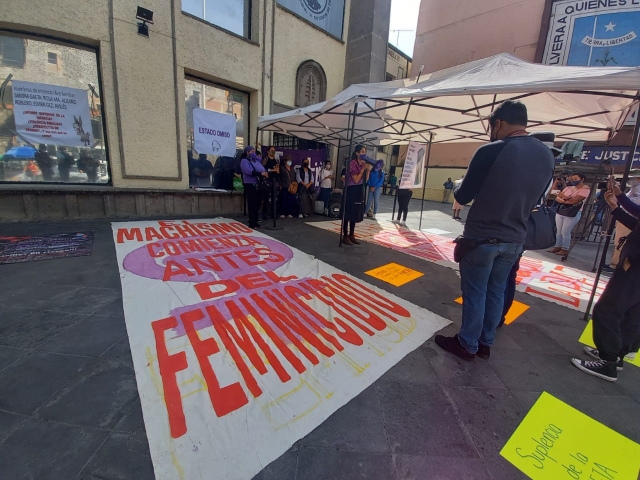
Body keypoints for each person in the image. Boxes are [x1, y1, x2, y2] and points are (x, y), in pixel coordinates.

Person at [434, 100, 554, 361]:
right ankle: (486, 342)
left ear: (498, 123)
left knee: (475, 291)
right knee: (496, 290)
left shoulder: (491, 150)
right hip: (516, 238)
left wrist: (459, 186)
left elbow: (464, 195)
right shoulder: (546, 155)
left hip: (482, 237)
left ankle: (467, 344)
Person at [571, 181, 640, 381]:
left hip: (634, 268)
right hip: (634, 266)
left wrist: (631, 261)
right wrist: (617, 203)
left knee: (607, 310)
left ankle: (608, 359)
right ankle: (617, 355)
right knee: (630, 313)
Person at [498, 131, 561, 328]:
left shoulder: (534, 171)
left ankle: (497, 316)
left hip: (515, 228)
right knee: (508, 274)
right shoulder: (547, 169)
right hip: (518, 228)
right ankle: (499, 315)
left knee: (503, 276)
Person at [547, 172, 590, 256]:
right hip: (562, 210)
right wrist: (556, 183)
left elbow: (575, 201)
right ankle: (558, 246)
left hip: (573, 212)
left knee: (565, 231)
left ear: (582, 179)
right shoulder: (569, 188)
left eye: (575, 179)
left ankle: (565, 248)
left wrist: (562, 198)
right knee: (559, 230)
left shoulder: (585, 189)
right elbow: (554, 193)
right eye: (572, 179)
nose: (573, 181)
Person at [610, 170, 640, 268]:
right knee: (619, 242)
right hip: (625, 217)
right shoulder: (633, 189)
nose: (633, 180)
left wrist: (619, 195)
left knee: (621, 243)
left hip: (631, 219)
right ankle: (617, 264)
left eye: (635, 178)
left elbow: (634, 208)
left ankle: (617, 264)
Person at [342, 145, 370, 245]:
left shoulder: (363, 164)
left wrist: (368, 170)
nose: (364, 154)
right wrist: (363, 169)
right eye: (362, 152)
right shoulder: (352, 163)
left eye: (365, 152)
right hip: (351, 189)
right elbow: (356, 179)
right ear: (357, 153)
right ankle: (345, 235)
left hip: (358, 189)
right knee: (348, 212)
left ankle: (351, 234)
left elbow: (365, 180)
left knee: (355, 212)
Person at [240, 145, 268, 229]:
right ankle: (252, 222)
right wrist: (260, 173)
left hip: (258, 184)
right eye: (252, 151)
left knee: (258, 203)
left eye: (254, 151)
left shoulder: (256, 161)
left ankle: (256, 221)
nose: (254, 153)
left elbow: (262, 168)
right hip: (250, 184)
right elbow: (247, 171)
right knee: (252, 204)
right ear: (247, 152)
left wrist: (265, 173)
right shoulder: (244, 161)